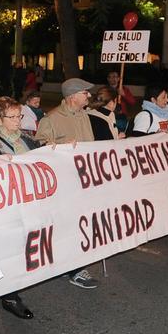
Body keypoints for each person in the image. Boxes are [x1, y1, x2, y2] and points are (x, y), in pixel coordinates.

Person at [0, 97, 41, 320]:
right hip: (6, 207)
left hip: (28, 203)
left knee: (22, 248)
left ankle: (8, 288)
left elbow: (44, 158)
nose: (17, 121)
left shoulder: (27, 139)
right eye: (11, 117)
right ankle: (10, 296)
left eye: (19, 116)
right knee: (9, 250)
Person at [33, 78, 99, 289]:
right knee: (70, 226)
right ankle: (75, 269)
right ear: (72, 97)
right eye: (85, 93)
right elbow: (39, 148)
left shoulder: (84, 116)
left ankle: (69, 265)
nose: (89, 96)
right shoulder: (51, 119)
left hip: (85, 181)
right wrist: (61, 146)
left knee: (81, 224)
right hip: (63, 185)